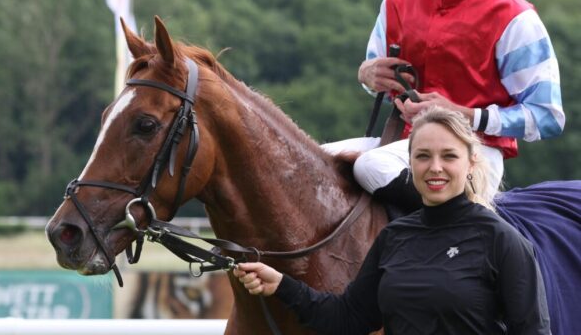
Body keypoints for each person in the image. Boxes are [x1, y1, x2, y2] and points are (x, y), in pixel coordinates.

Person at [322, 0, 565, 211]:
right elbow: (380, 83)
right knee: (313, 160)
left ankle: (463, 226)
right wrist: (368, 76)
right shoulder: (395, 3)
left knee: (370, 166)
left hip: (475, 153)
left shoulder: (512, 14)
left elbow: (547, 116)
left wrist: (465, 115)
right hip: (405, 144)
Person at [234, 106, 551, 334]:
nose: (435, 167)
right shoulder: (394, 237)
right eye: (423, 156)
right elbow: (347, 318)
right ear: (409, 162)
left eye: (449, 156)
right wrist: (282, 285)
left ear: (470, 163)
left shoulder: (501, 240)